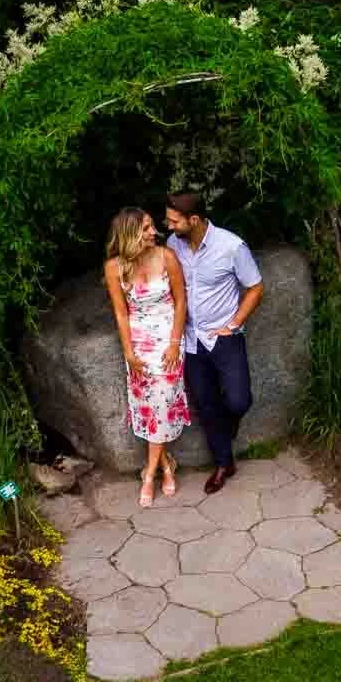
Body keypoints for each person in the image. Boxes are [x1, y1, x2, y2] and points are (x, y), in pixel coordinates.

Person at [164, 191, 262, 493]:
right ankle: (223, 463)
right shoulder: (172, 245)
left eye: (174, 221)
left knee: (238, 400)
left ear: (193, 220)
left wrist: (233, 325)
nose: (168, 226)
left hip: (224, 337)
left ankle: (225, 428)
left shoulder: (231, 247)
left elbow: (256, 287)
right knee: (206, 406)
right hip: (191, 341)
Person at [102, 206, 190, 507]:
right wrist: (129, 353)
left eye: (153, 226)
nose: (155, 232)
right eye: (147, 228)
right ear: (130, 234)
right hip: (139, 346)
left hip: (168, 342)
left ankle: (150, 473)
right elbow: (120, 313)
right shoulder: (114, 267)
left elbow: (181, 302)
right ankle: (167, 465)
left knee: (162, 403)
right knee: (150, 409)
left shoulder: (167, 257)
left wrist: (175, 343)